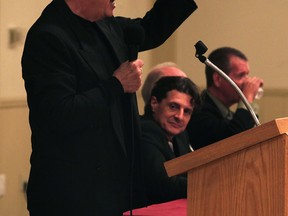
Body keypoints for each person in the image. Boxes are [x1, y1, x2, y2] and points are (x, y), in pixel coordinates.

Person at [21, 0, 198, 215]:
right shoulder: (49, 37)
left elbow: (149, 30)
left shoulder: (106, 24)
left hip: (115, 189)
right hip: (72, 195)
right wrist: (116, 85)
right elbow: (61, 113)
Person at [187, 47, 264, 150]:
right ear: (218, 79)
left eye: (247, 75)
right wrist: (246, 99)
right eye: (241, 75)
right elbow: (233, 141)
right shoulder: (199, 111)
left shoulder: (228, 114)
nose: (247, 82)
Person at [141, 76, 200, 205]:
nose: (180, 117)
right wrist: (207, 183)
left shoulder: (180, 135)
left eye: (187, 112)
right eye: (173, 107)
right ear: (154, 103)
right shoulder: (144, 131)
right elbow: (164, 185)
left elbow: (188, 172)